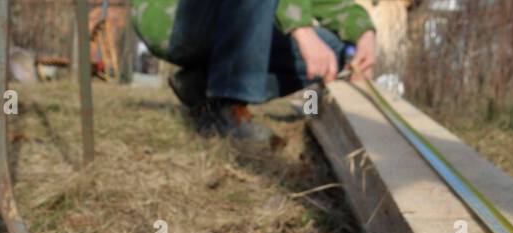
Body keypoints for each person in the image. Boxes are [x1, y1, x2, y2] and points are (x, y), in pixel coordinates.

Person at [131, 0, 377, 141]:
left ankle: (204, 85)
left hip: (226, 20)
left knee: (332, 48)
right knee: (308, 39)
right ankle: (229, 109)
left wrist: (364, 31)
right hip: (171, 17)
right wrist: (302, 30)